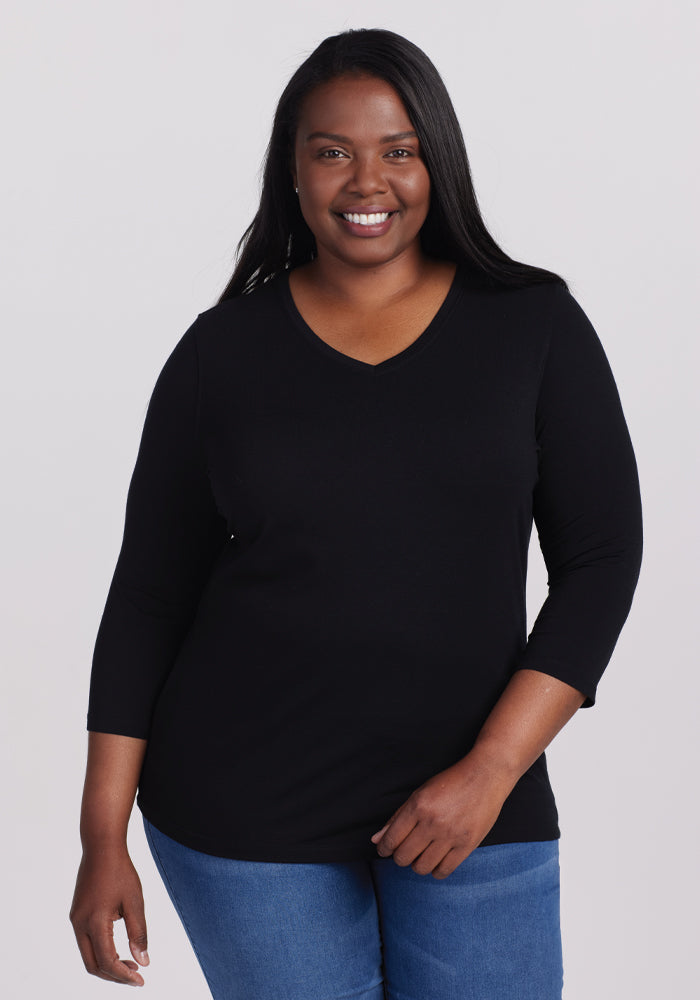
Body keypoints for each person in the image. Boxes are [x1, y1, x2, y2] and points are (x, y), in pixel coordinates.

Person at [69, 27, 643, 1000]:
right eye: (331, 150)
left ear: (437, 164)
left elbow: (600, 558)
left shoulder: (532, 323)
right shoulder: (222, 352)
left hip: (475, 797)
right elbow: (148, 598)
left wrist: (492, 769)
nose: (364, 179)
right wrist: (100, 837)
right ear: (291, 172)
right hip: (242, 810)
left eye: (398, 149)